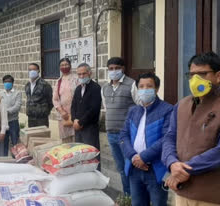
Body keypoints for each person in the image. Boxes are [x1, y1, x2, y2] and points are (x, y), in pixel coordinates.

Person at [162, 52, 220, 206]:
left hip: (212, 195)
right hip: (182, 192)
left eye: (202, 74)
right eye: (192, 75)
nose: (195, 80)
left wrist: (186, 170)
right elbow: (169, 137)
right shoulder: (181, 105)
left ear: (218, 76)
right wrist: (171, 163)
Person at [120, 72, 173, 206]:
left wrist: (143, 157)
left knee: (158, 203)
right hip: (134, 168)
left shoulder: (168, 110)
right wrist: (133, 157)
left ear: (156, 89)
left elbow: (166, 138)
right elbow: (123, 135)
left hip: (155, 169)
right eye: (141, 86)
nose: (144, 89)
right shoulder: (133, 111)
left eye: (149, 86)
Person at [101, 57, 139, 195]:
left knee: (130, 166)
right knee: (121, 168)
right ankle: (127, 196)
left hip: (126, 134)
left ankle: (136, 197)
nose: (113, 71)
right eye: (110, 69)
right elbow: (107, 108)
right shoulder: (105, 87)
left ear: (123, 68)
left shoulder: (132, 84)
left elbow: (139, 106)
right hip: (111, 134)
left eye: (116, 68)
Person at [71, 63, 101, 150]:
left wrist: (81, 122)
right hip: (77, 127)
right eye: (79, 74)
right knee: (80, 153)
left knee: (91, 153)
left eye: (84, 73)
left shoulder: (95, 88)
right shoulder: (78, 89)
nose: (81, 76)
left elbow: (93, 109)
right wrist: (74, 120)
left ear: (89, 73)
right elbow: (73, 106)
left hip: (89, 127)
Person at [52, 58, 79, 143]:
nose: (64, 66)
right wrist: (61, 111)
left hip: (76, 114)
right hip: (64, 116)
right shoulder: (59, 81)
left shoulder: (77, 78)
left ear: (70, 66)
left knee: (77, 139)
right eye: (62, 65)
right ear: (59, 67)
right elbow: (55, 99)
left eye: (66, 64)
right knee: (66, 141)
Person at [0, 75, 22, 156]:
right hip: (3, 123)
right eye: (5, 82)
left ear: (12, 83)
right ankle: (5, 160)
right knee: (4, 143)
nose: (7, 83)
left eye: (9, 82)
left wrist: (5, 112)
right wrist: (3, 113)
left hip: (13, 121)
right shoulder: (0, 94)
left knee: (15, 142)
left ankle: (16, 159)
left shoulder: (17, 93)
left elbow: (17, 106)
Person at [25, 63, 53, 127]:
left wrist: (44, 111)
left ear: (38, 71)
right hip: (30, 117)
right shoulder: (27, 85)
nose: (31, 71)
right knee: (32, 136)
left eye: (34, 70)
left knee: (41, 136)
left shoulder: (45, 85)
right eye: (30, 70)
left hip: (41, 118)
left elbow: (50, 101)